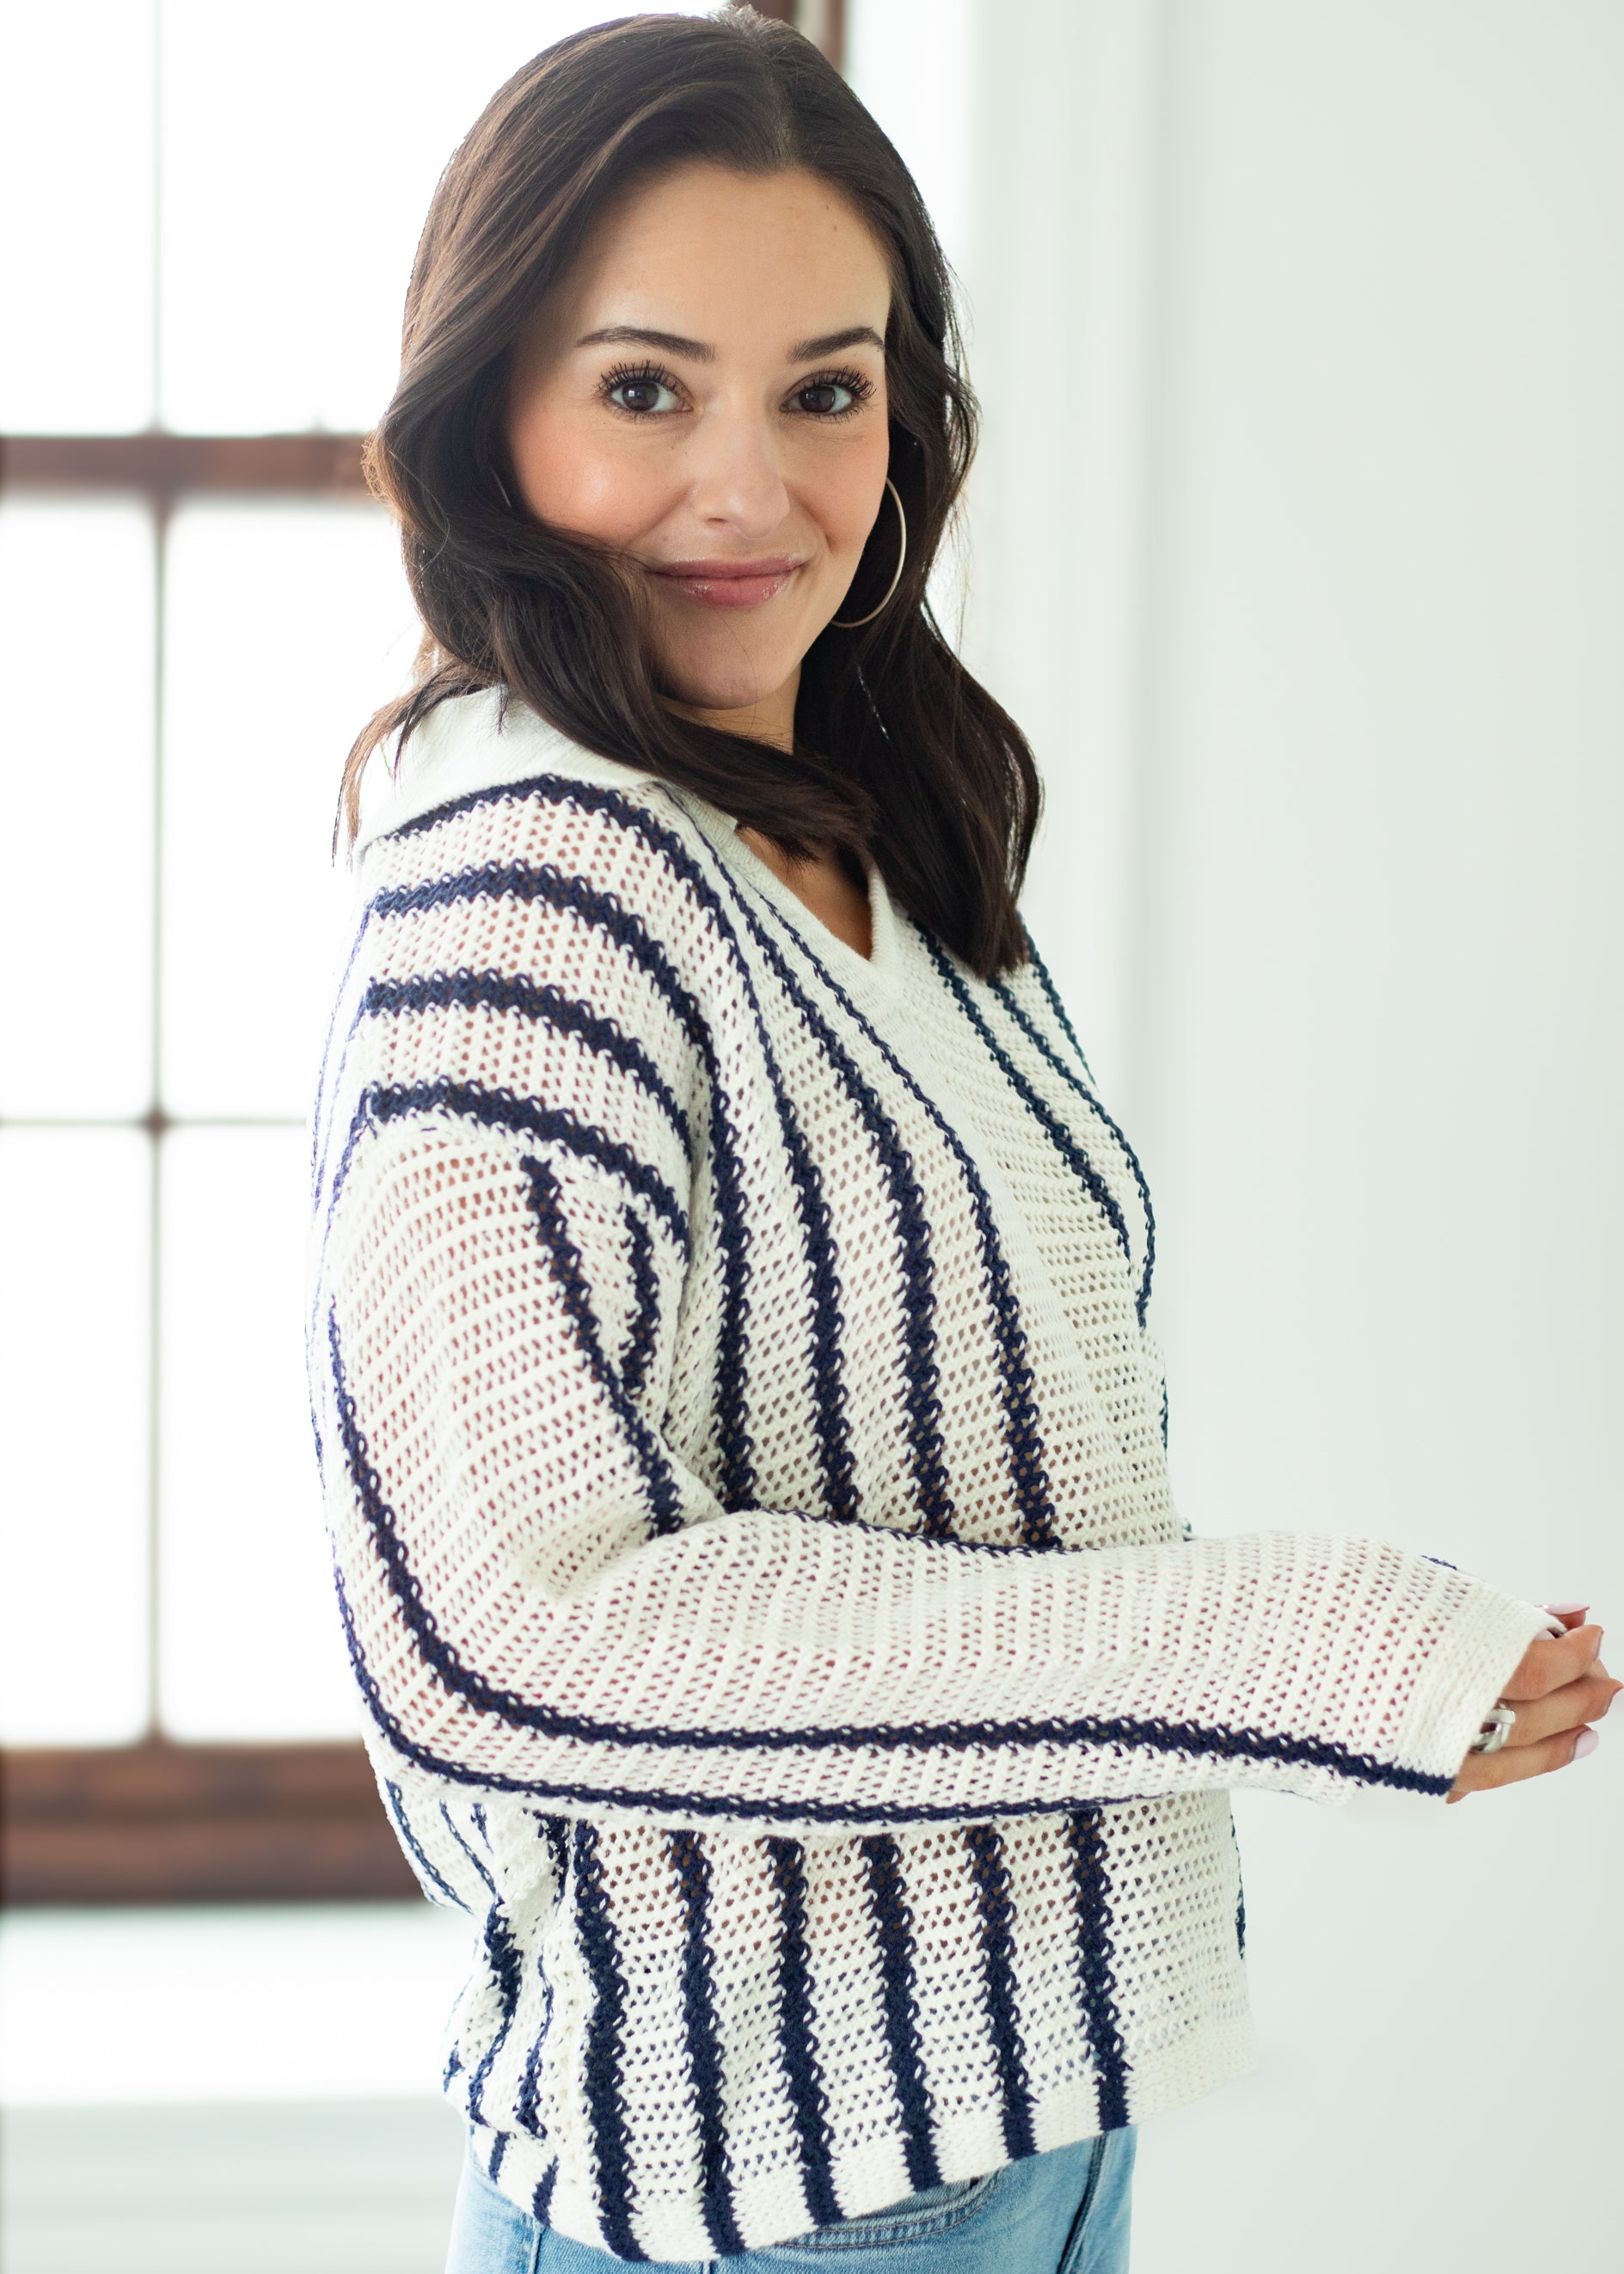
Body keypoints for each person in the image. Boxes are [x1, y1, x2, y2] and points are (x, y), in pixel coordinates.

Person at [308, 12, 1615, 2271]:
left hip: (1030, 2123)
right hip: (754, 2194)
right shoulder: (529, 875)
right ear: (489, 417)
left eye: (825, 388)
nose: (752, 486)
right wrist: (1289, 1648)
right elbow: (504, 1630)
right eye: (644, 389)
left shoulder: (877, 838)